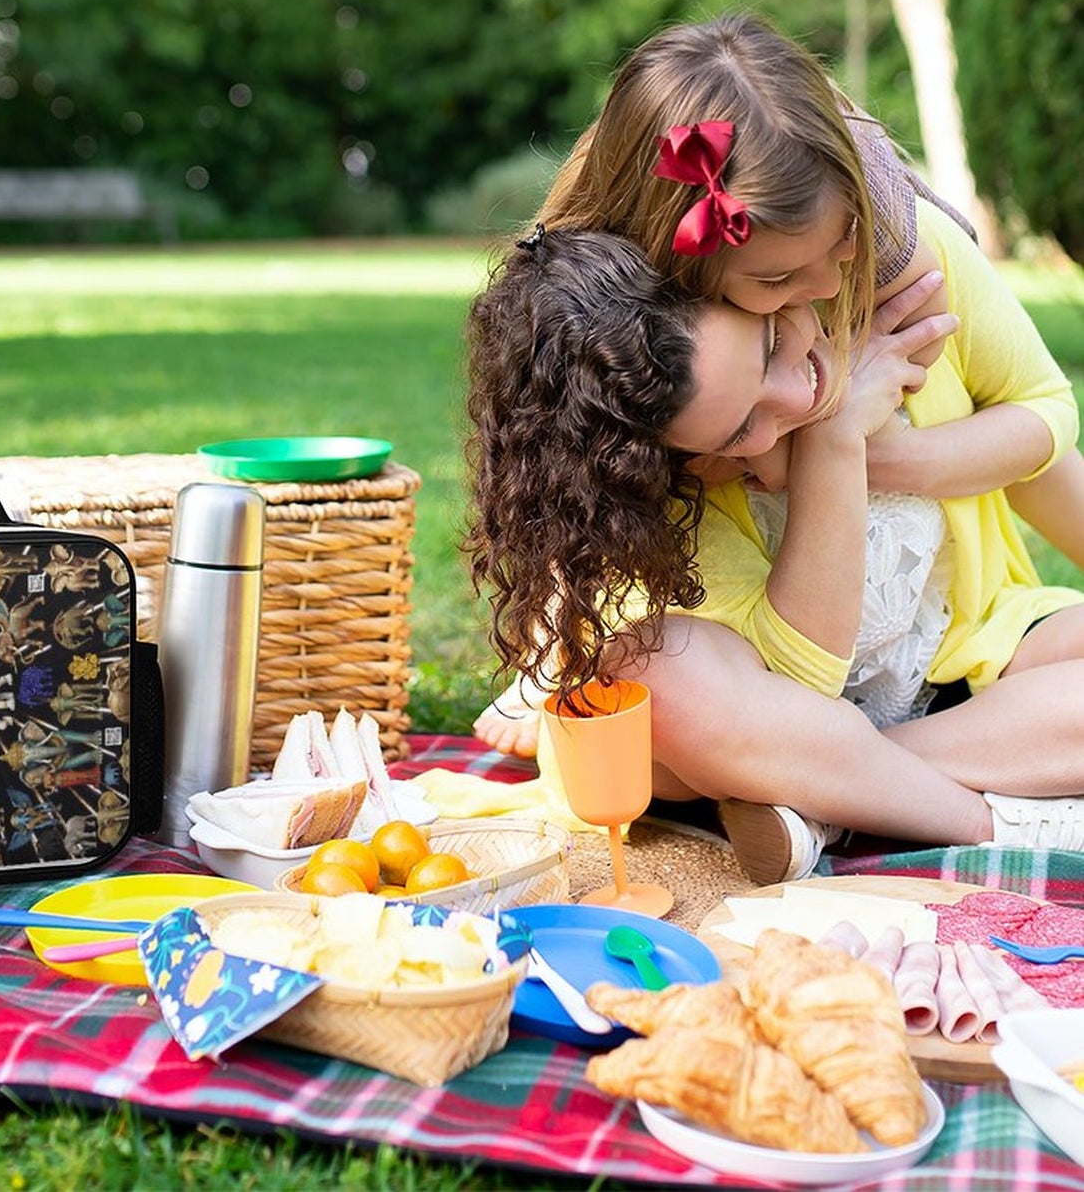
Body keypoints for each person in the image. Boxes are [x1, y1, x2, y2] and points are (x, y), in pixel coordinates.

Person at [472, 11, 1084, 758]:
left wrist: (872, 453)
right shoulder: (649, 368)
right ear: (681, 266)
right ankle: (861, 771)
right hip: (763, 675)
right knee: (660, 707)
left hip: (963, 642)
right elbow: (575, 500)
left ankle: (860, 778)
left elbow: (1045, 415)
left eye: (842, 241)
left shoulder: (904, 262)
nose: (826, 282)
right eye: (776, 280)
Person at [441, 220, 1084, 884]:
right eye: (740, 426)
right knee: (656, 674)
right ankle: (986, 819)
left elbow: (1041, 432)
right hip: (765, 721)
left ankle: (827, 806)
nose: (794, 393)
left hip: (958, 669)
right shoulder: (669, 470)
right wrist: (831, 442)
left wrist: (879, 451)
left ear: (750, 286)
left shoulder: (894, 282)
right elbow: (801, 687)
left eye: (772, 341)